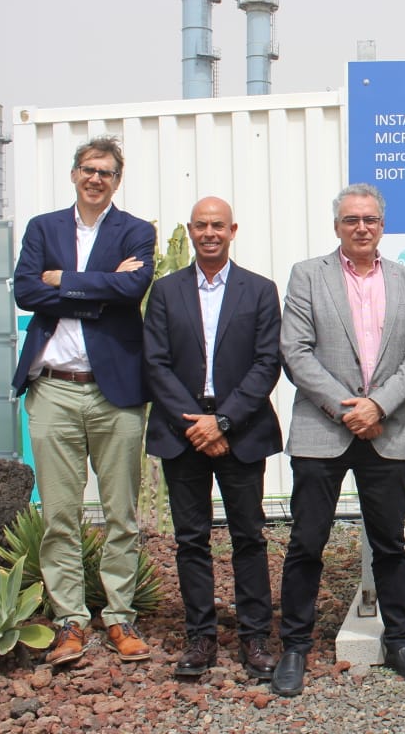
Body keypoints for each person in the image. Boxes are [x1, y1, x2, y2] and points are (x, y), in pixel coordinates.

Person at [272, 183, 405, 694]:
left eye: (369, 219)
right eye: (350, 220)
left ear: (382, 225)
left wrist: (378, 405)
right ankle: (294, 648)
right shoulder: (307, 276)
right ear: (337, 225)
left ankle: (399, 642)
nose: (360, 227)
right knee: (306, 541)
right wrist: (349, 409)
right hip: (323, 429)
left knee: (388, 543)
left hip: (385, 431)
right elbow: (295, 352)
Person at [11, 135, 155, 666]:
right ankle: (70, 621)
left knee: (121, 513)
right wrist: (94, 286)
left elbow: (129, 291)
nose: (97, 179)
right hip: (52, 388)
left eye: (107, 172)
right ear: (75, 173)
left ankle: (120, 618)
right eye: (89, 169)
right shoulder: (42, 228)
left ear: (118, 180)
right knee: (60, 515)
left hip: (114, 392)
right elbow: (27, 291)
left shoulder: (135, 231)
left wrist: (63, 281)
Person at [143, 197, 282, 680]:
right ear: (190, 230)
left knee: (249, 537)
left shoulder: (260, 291)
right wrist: (196, 424)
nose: (209, 233)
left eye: (217, 225)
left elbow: (268, 363)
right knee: (191, 540)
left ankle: (255, 637)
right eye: (201, 225)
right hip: (183, 432)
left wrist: (222, 422)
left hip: (241, 432)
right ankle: (200, 637)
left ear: (232, 230)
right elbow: (155, 362)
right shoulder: (165, 292)